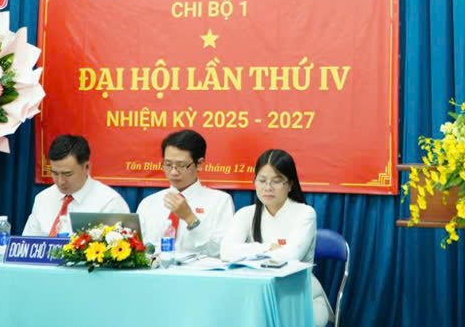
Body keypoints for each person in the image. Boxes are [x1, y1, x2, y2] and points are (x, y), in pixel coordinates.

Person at [221, 149, 332, 327]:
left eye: (277, 181)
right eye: (262, 180)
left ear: (290, 184)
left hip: (300, 297)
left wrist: (248, 252)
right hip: (255, 297)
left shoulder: (305, 213)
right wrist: (267, 248)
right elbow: (226, 252)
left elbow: (290, 257)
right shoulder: (245, 214)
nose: (268, 187)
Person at [136, 129, 234, 257]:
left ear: (199, 164)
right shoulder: (149, 203)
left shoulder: (220, 201)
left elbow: (221, 251)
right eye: (168, 164)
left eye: (181, 165)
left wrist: (190, 218)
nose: (173, 172)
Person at [22, 134, 129, 236]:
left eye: (67, 174)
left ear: (86, 167)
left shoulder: (109, 203)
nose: (60, 181)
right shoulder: (43, 198)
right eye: (55, 173)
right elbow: (27, 243)